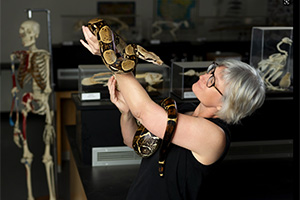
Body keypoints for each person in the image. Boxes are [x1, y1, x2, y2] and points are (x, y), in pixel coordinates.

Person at [80, 26, 265, 199]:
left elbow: (144, 111)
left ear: (225, 105)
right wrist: (126, 113)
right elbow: (132, 142)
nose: (203, 76)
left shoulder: (214, 136)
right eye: (211, 71)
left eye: (212, 81)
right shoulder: (181, 109)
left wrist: (108, 55)